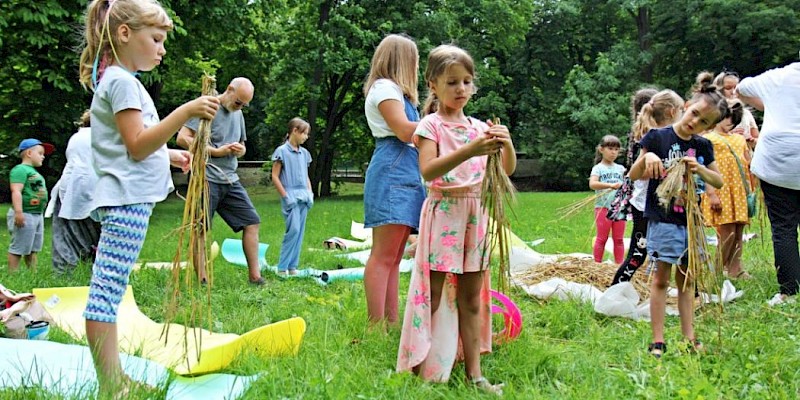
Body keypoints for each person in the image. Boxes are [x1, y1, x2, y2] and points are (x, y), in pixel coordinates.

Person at [78, 0, 219, 395]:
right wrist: (186, 111)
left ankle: (115, 377)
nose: (161, 49)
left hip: (129, 200)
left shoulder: (120, 79)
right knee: (106, 293)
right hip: (126, 202)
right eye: (155, 39)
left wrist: (169, 152)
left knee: (111, 288)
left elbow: (134, 144)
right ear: (125, 34)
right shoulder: (122, 82)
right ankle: (110, 383)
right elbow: (137, 146)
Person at [397, 44, 516, 395]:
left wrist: (504, 144)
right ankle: (422, 365)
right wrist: (470, 149)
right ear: (432, 84)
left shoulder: (479, 127)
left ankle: (475, 374)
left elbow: (505, 171)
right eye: (452, 82)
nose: (461, 89)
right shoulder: (429, 126)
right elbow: (429, 172)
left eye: (466, 82)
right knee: (432, 294)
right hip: (443, 213)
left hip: (475, 215)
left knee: (472, 297)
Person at [629, 72, 726, 358]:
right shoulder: (658, 137)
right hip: (663, 220)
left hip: (690, 224)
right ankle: (658, 340)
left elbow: (717, 182)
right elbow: (633, 174)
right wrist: (647, 157)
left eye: (704, 122)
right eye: (695, 113)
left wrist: (700, 169)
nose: (695, 122)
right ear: (686, 105)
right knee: (661, 279)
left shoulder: (703, 146)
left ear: (709, 127)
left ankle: (689, 338)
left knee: (687, 282)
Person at [362, 34, 426, 325]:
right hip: (392, 170)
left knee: (395, 257)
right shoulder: (385, 88)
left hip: (406, 171)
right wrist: (443, 125)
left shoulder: (398, 93)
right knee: (382, 256)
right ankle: (377, 326)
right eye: (414, 60)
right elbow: (403, 130)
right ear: (403, 61)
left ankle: (391, 322)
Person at [177, 77, 264, 285]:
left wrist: (241, 150)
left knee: (252, 222)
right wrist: (214, 152)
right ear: (229, 90)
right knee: (200, 228)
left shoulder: (238, 113)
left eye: (244, 105)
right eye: (238, 102)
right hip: (206, 178)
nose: (240, 107)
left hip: (230, 179)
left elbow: (242, 143)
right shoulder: (207, 105)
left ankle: (256, 277)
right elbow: (182, 138)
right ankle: (203, 280)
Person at [737, 61, 800, 306]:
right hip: (781, 159)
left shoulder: (778, 76)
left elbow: (741, 89)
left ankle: (789, 290)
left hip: (777, 160)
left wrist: (768, 106)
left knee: (783, 228)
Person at [611, 89, 684, 285]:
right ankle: (615, 290)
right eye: (681, 110)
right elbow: (637, 172)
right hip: (645, 205)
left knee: (681, 251)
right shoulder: (652, 136)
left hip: (665, 204)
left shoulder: (675, 137)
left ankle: (689, 294)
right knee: (638, 254)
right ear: (671, 112)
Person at [46, 110, 101, 275]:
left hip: (73, 189)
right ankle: (94, 271)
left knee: (67, 238)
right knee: (97, 236)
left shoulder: (78, 137)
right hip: (95, 190)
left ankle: (65, 274)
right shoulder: (106, 137)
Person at [701, 99, 751, 279]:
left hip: (739, 191)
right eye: (726, 117)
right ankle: (716, 271)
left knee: (738, 231)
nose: (729, 121)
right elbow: (704, 167)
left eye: (733, 118)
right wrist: (712, 194)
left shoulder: (739, 139)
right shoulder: (707, 139)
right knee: (726, 232)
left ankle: (735, 269)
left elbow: (747, 162)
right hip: (720, 189)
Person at [271, 118, 313, 276]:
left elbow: (306, 175)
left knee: (300, 231)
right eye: (304, 133)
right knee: (293, 230)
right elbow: (275, 176)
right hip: (290, 195)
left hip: (304, 196)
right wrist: (285, 196)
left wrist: (310, 193)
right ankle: (282, 267)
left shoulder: (304, 154)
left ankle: (292, 266)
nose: (306, 137)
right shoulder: (281, 151)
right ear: (295, 130)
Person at [7, 138, 54, 272]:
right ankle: (12, 274)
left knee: (33, 247)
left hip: (36, 214)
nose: (43, 156)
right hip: (25, 213)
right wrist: (18, 212)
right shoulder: (20, 170)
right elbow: (16, 191)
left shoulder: (33, 172)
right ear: (29, 153)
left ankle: (32, 272)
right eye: (40, 153)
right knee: (19, 246)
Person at [589, 135, 626, 264]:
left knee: (619, 239)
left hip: (619, 208)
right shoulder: (598, 168)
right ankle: (597, 264)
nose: (613, 152)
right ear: (601, 149)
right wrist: (609, 185)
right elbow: (593, 184)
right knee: (602, 238)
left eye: (616, 149)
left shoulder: (621, 169)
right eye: (610, 148)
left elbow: (628, 184)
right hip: (603, 208)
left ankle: (619, 265)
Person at [714, 70, 760, 148]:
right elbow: (700, 138)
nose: (733, 92)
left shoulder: (746, 113)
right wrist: (729, 135)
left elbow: (759, 141)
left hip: (745, 158)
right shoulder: (712, 113)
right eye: (728, 88)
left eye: (736, 88)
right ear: (718, 90)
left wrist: (750, 139)